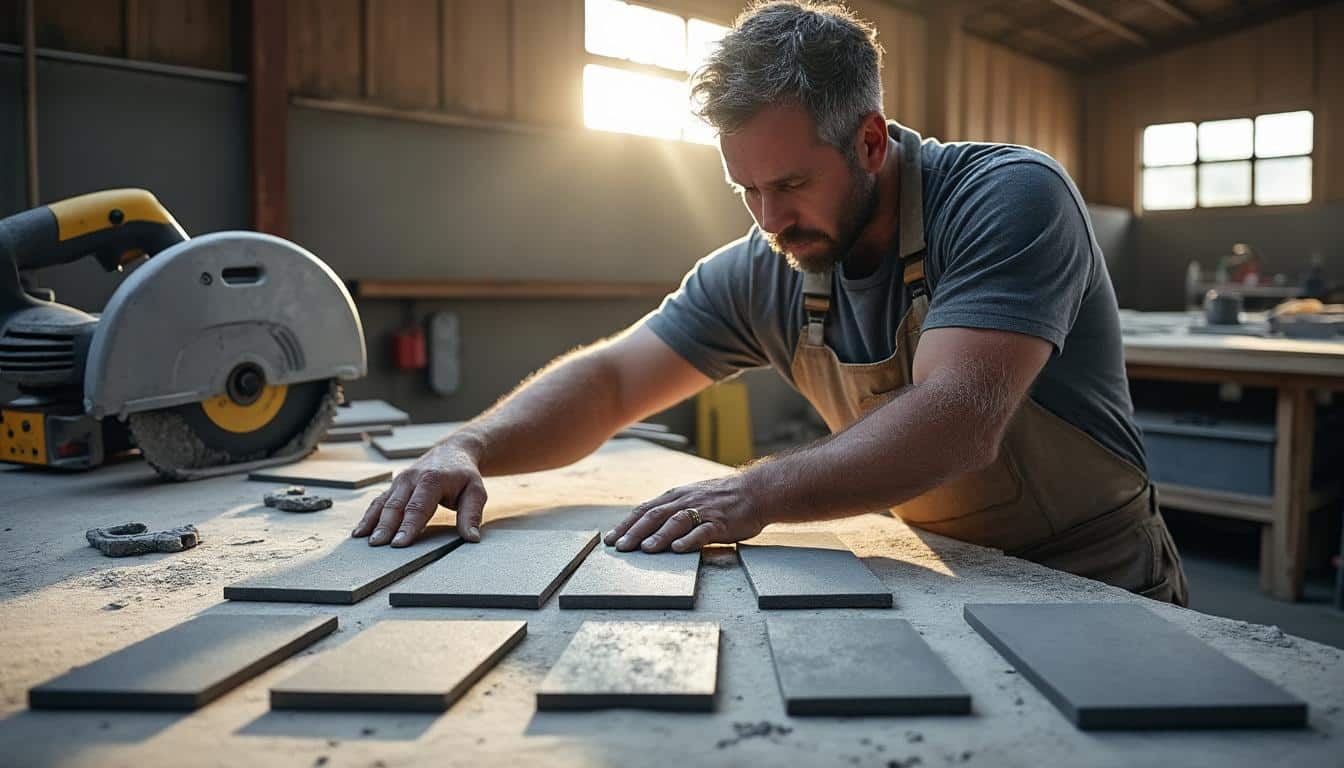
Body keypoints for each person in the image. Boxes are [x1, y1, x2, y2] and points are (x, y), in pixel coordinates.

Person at [353, 0, 1188, 605]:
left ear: (870, 138)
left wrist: (752, 493)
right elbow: (611, 380)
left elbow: (958, 417)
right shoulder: (764, 263)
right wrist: (468, 446)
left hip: (1095, 576)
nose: (769, 217)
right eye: (744, 187)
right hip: (936, 569)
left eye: (790, 182)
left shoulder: (1006, 195)